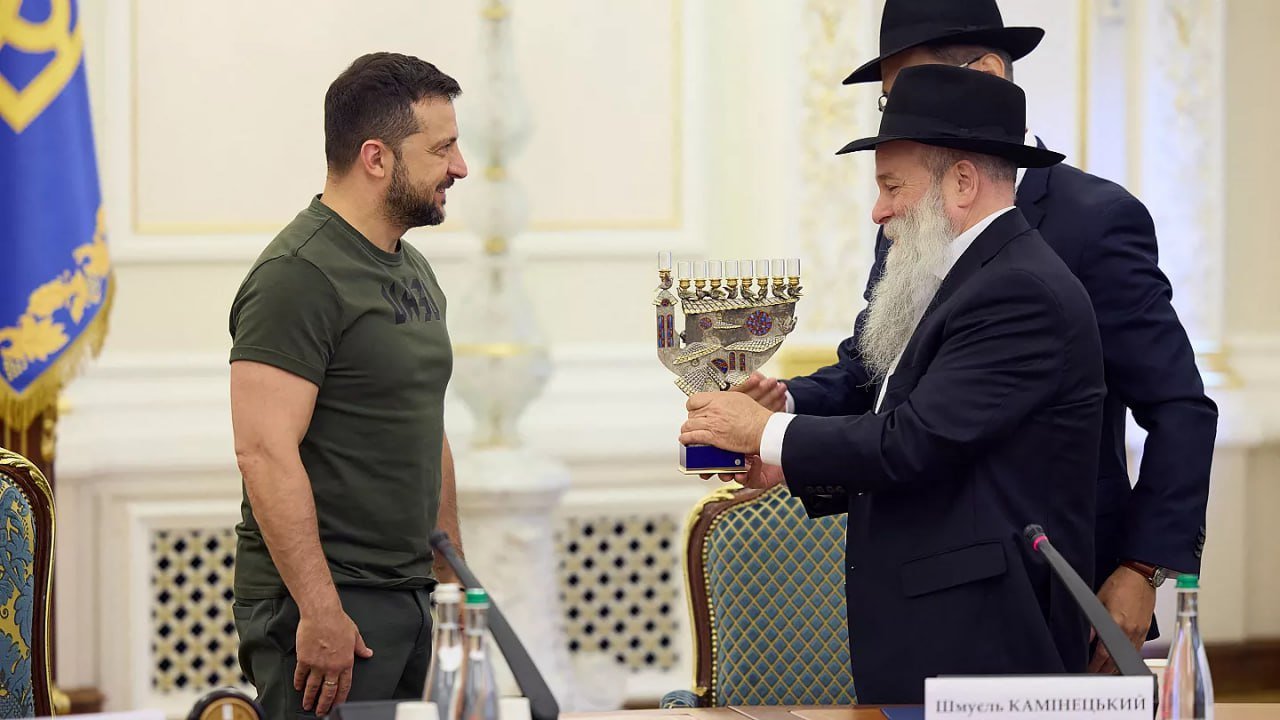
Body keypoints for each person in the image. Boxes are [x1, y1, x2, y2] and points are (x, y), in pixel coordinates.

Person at [742, 0, 1218, 675]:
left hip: (1054, 580)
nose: (896, 117)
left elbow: (1179, 407)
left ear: (988, 73)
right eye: (888, 104)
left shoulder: (1094, 221)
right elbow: (877, 370)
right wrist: (781, 406)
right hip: (929, 584)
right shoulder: (917, 214)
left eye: (907, 91)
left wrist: (1141, 567)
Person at [681, 64, 1106, 704]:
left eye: (891, 186)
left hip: (985, 640)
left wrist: (767, 432)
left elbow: (914, 441)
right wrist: (784, 458)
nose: (878, 210)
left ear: (962, 182)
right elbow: (893, 411)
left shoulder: (1019, 291)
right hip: (939, 628)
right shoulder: (961, 277)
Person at [228, 52, 468, 717]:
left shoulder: (412, 267)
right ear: (376, 158)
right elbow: (263, 452)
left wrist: (450, 575)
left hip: (412, 595)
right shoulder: (296, 275)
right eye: (441, 148)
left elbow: (424, 422)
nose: (460, 166)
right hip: (331, 608)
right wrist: (320, 609)